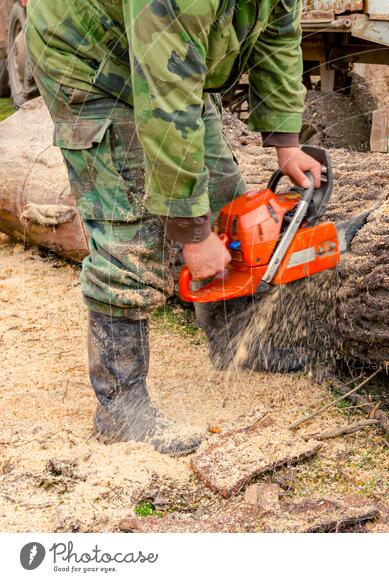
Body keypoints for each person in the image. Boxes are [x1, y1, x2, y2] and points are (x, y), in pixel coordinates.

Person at [25, 0, 321, 456]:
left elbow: (278, 37)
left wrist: (287, 143)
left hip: (168, 65)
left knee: (228, 197)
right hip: (88, 59)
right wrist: (193, 233)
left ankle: (237, 341)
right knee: (131, 225)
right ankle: (120, 406)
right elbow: (166, 101)